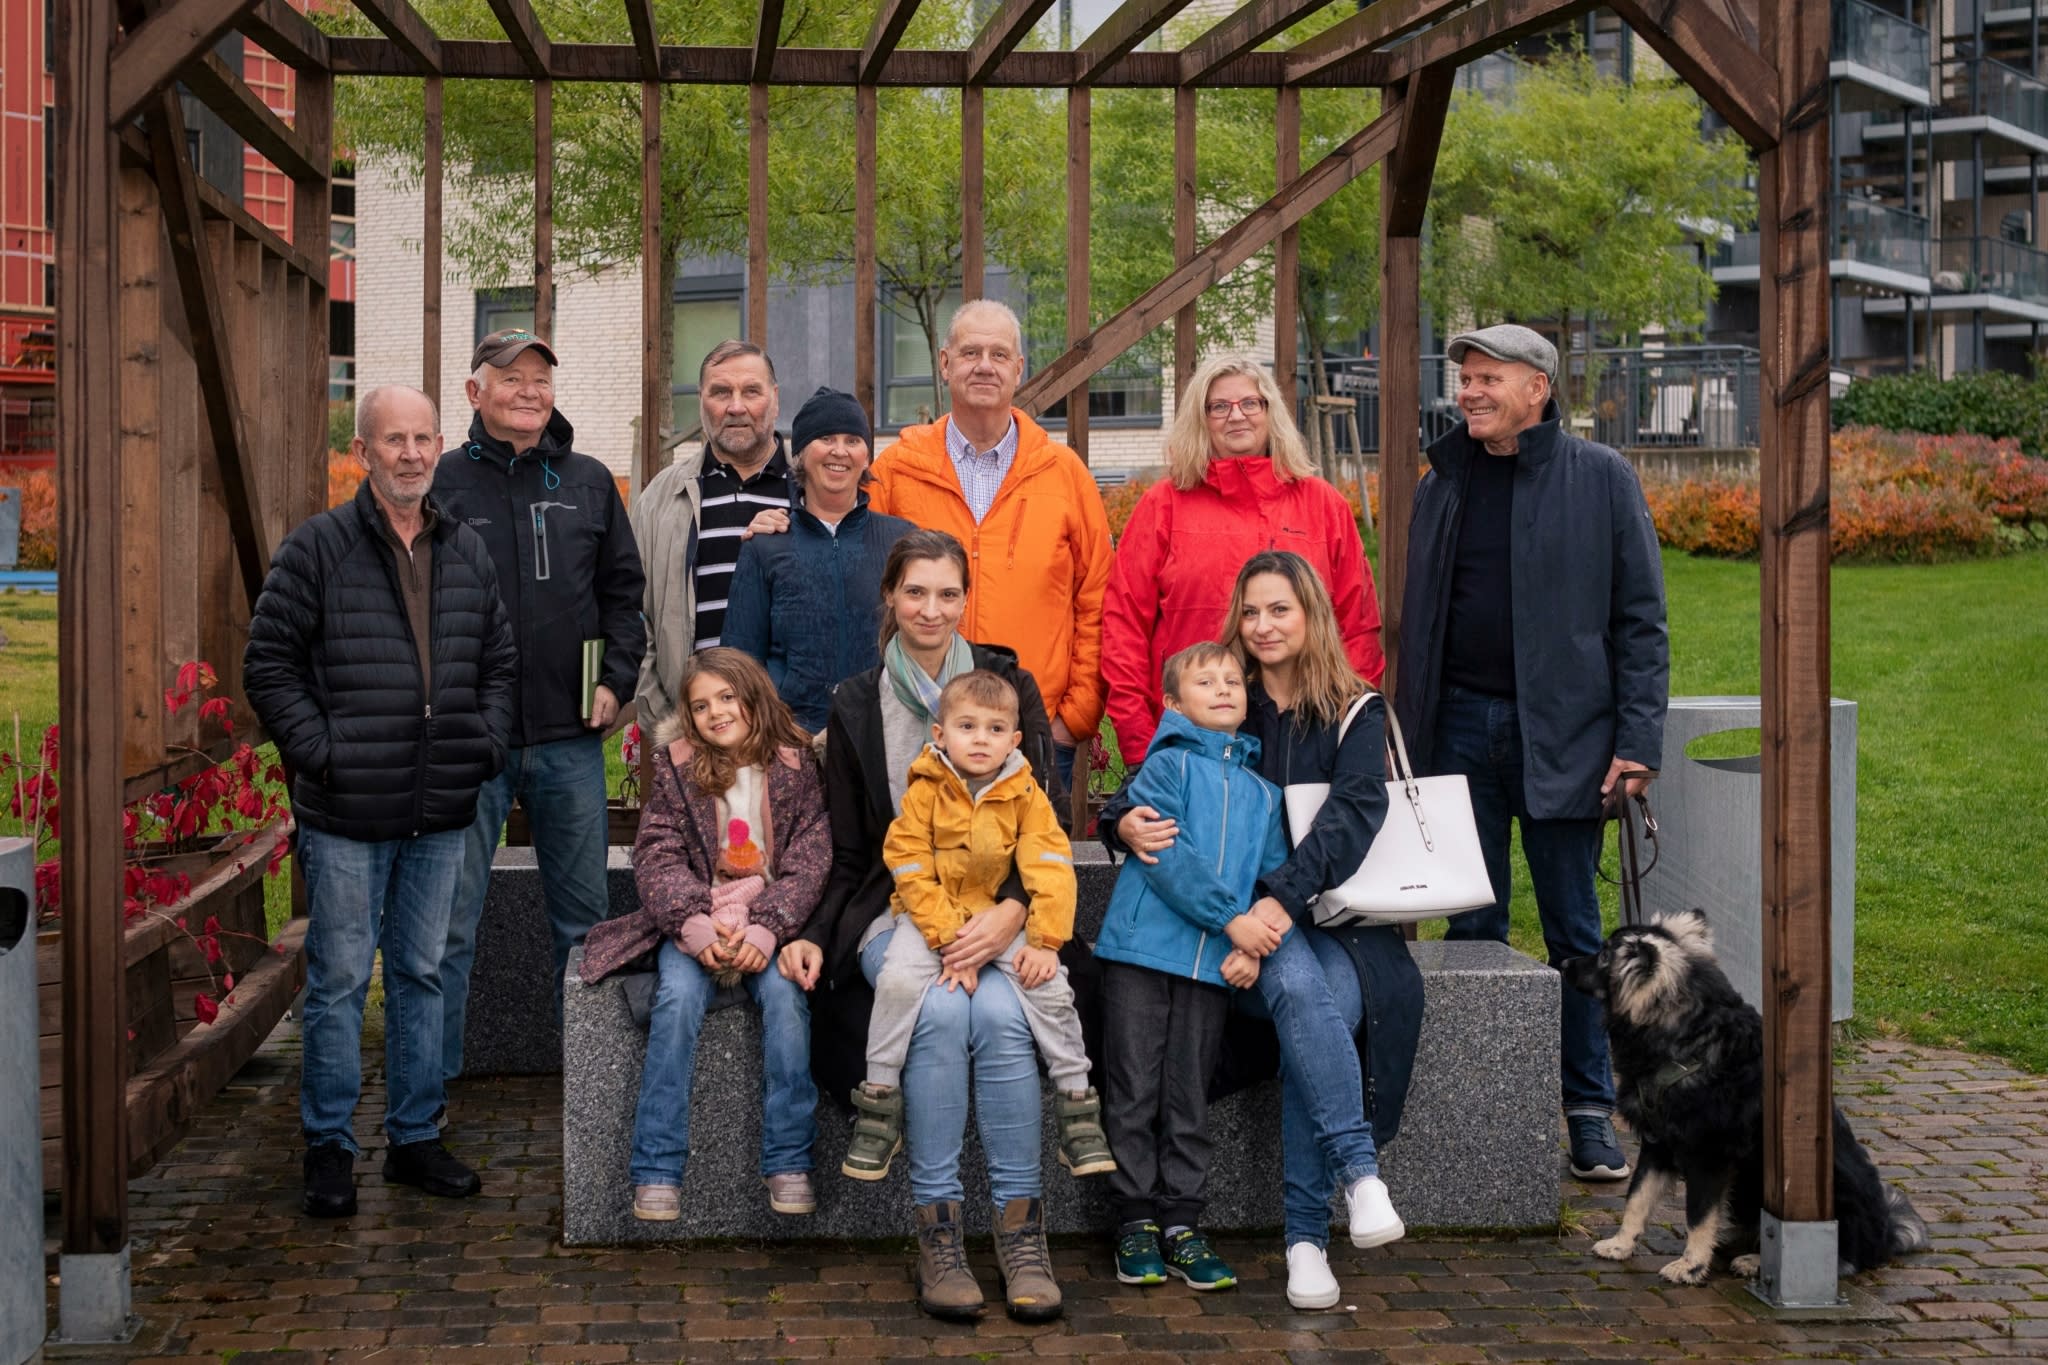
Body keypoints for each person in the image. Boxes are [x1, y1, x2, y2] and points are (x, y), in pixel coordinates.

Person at [1105, 551, 1424, 1311]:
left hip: (1338, 922)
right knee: (1303, 996)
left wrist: (1277, 903)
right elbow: (1159, 777)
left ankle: (1309, 1234)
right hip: (1245, 930)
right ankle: (1351, 1186)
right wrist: (1120, 820)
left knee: (1322, 1007)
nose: (1262, 625)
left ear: (1310, 613)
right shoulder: (1227, 695)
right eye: (1250, 611)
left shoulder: (1353, 707)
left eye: (1279, 609)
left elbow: (1351, 815)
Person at [1396, 323, 1669, 1184]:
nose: (1469, 391)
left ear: (1537, 388)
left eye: (1487, 378)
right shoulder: (1443, 481)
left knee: (1574, 934)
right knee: (1470, 923)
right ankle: (1479, 1108)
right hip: (1458, 735)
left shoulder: (1602, 480)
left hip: (1567, 740)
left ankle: (1588, 1111)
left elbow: (1641, 622)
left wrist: (1635, 744)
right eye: (1465, 378)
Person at [775, 530, 1064, 1324]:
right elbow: (842, 848)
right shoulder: (856, 701)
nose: (931, 609)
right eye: (915, 592)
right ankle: (938, 1230)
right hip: (895, 910)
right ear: (890, 599)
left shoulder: (1008, 686)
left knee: (1004, 1014)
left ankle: (1019, 1231)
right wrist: (807, 929)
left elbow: (1043, 823)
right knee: (937, 1010)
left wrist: (1012, 913)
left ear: (965, 599)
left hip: (1001, 913)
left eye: (946, 593)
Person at [243, 385, 516, 1217]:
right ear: (363, 451)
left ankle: (414, 1136)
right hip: (347, 812)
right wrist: (324, 755)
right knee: (334, 981)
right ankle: (329, 1145)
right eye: (392, 439)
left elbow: (499, 664)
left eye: (422, 438)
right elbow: (269, 667)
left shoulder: (466, 550)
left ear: (440, 446)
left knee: (421, 973)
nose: (409, 453)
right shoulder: (317, 549)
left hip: (440, 808)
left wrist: (483, 744)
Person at [433, 329, 647, 1094]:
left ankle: (591, 1095)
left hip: (569, 740)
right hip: (470, 744)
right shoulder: (440, 483)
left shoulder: (588, 482)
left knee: (585, 925)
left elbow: (626, 597)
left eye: (539, 378)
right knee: (447, 925)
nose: (528, 389)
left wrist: (617, 680)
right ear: (474, 392)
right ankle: (432, 1095)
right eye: (510, 376)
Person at [577, 649, 830, 1221]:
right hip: (698, 921)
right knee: (677, 1001)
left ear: (753, 694)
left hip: (770, 923)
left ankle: (789, 1158)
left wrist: (768, 931)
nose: (716, 712)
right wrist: (694, 928)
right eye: (700, 705)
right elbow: (658, 856)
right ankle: (657, 1168)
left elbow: (811, 862)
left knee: (788, 1005)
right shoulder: (676, 768)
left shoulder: (796, 769)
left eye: (726, 697)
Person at [843, 670, 1112, 1185]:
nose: (981, 739)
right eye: (967, 726)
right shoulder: (925, 791)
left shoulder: (1025, 794)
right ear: (940, 735)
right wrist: (948, 941)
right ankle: (879, 1100)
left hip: (998, 920)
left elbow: (1051, 863)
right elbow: (908, 863)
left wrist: (1046, 940)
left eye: (994, 730)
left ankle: (1077, 1104)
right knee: (898, 981)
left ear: (1014, 740)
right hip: (930, 923)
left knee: (1049, 985)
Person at [1094, 641, 1291, 1293]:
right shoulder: (1165, 765)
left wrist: (1248, 943)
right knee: (1133, 1087)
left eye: (1234, 679)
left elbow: (1270, 878)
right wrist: (1230, 919)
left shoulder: (1265, 794)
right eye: (1205, 680)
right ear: (1174, 702)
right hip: (1142, 953)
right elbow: (1167, 857)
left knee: (1188, 1094)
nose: (1224, 687)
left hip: (1212, 968)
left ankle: (1182, 1222)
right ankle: (1134, 1220)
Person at [865, 299, 1112, 797]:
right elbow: (858, 576)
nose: (984, 365)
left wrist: (1075, 716)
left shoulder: (1063, 474)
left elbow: (1098, 598)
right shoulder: (896, 471)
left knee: (1031, 872)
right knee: (920, 869)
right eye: (971, 351)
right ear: (944, 362)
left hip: (1029, 728)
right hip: (920, 727)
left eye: (999, 355)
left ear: (1018, 369)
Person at [1102, 355, 1384, 763]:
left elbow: (1358, 626)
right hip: (1191, 736)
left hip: (1306, 732)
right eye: (1219, 407)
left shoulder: (1322, 504)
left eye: (1250, 403)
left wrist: (1348, 728)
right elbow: (1123, 626)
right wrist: (1140, 741)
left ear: (1271, 412)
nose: (1237, 417)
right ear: (1201, 419)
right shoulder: (1162, 506)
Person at [723, 386, 915, 732]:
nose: (839, 451)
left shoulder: (901, 541)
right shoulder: (766, 546)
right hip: (792, 739)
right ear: (800, 454)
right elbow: (740, 661)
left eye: (853, 440)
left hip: (885, 736)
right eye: (826, 438)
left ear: (867, 456)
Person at [632, 339, 795, 726]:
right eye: (721, 392)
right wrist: (665, 711)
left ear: (774, 399)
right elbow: (632, 613)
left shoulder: (807, 491)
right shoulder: (661, 497)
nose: (735, 406)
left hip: (788, 727)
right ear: (701, 400)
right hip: (692, 727)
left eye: (751, 391)